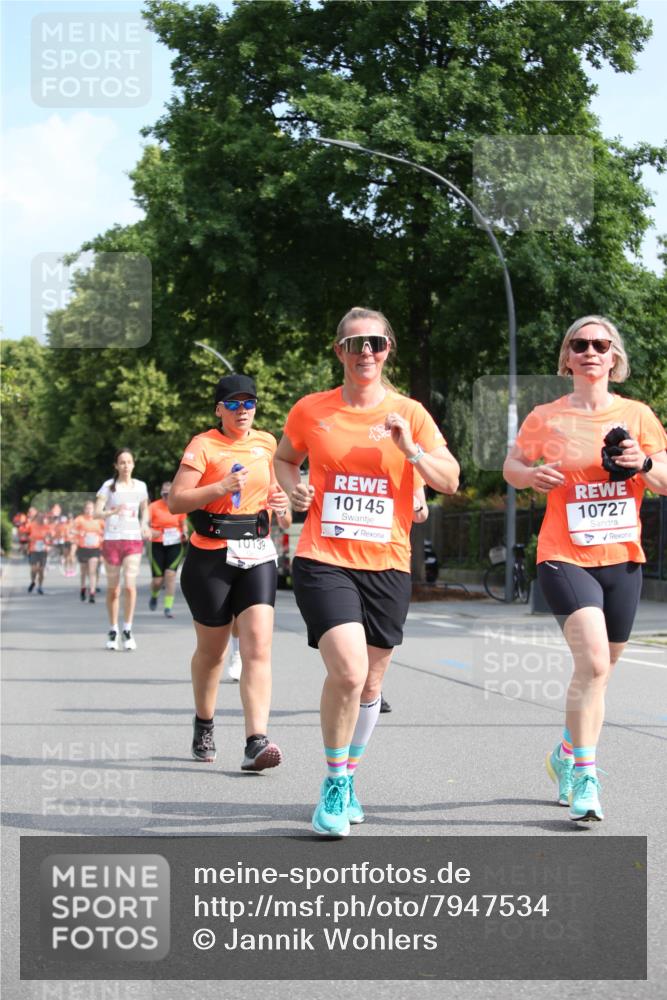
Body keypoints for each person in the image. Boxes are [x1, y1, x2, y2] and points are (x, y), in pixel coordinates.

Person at [274, 306, 460, 837]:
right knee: (350, 672)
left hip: (387, 563)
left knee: (373, 682)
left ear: (388, 349)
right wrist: (293, 487)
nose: (366, 353)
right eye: (355, 345)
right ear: (339, 352)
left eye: (375, 344)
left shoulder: (410, 412)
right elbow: (285, 459)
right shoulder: (312, 410)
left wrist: (412, 450)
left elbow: (450, 478)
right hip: (324, 558)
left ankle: (350, 775)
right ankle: (334, 784)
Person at [503, 315, 667, 823]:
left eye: (601, 344)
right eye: (581, 344)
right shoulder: (545, 417)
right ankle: (585, 776)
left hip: (621, 559)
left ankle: (565, 753)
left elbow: (664, 479)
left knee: (601, 670)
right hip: (564, 554)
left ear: (614, 356)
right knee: (594, 663)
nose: (591, 351)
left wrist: (642, 464)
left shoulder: (638, 415)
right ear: (567, 356)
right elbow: (512, 468)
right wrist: (531, 475)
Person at [168, 373, 290, 771]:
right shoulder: (203, 446)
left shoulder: (267, 442)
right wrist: (220, 487)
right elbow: (176, 501)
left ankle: (256, 740)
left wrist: (283, 503)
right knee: (213, 652)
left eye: (249, 403)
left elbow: (281, 508)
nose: (243, 411)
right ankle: (204, 722)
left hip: (257, 553)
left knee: (258, 646)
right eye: (234, 404)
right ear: (219, 409)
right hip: (211, 558)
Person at [95, 449, 150, 651]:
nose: (126, 465)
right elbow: (96, 513)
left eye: (129, 462)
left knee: (129, 585)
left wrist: (144, 524)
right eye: (122, 462)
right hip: (112, 540)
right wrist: (113, 511)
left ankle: (127, 628)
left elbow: (145, 509)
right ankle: (113, 628)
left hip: (132, 540)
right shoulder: (109, 487)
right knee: (114, 589)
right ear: (116, 466)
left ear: (133, 464)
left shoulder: (141, 486)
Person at [148, 481, 188, 618]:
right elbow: (145, 526)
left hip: (175, 544)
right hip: (157, 544)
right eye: (164, 494)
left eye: (168, 493)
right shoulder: (153, 507)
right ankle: (154, 594)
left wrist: (185, 534)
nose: (166, 496)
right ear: (161, 494)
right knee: (158, 581)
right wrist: (150, 531)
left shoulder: (179, 506)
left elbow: (184, 524)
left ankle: (167, 608)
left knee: (170, 575)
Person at [73, 501, 104, 602]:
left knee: (92, 571)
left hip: (95, 548)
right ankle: (83, 588)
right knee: (83, 571)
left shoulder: (99, 520)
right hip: (83, 548)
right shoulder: (80, 519)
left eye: (91, 508)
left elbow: (106, 531)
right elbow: (71, 530)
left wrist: (101, 535)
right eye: (87, 508)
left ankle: (92, 592)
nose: (89, 510)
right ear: (84, 509)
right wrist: (79, 532)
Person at [26, 512, 51, 594]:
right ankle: (33, 582)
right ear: (36, 518)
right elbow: (26, 535)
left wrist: (48, 540)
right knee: (34, 568)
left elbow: (50, 537)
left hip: (43, 550)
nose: (41, 519)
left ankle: (40, 586)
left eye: (42, 517)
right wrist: (29, 539)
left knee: (41, 570)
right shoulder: (31, 525)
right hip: (33, 550)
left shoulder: (47, 527)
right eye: (39, 517)